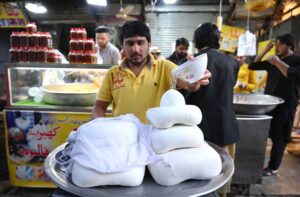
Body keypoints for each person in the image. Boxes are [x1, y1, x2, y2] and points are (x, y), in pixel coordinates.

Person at [92, 21, 210, 124]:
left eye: (140, 42)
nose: (135, 49)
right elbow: (99, 106)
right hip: (123, 140)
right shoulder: (113, 73)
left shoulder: (165, 67)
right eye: (130, 43)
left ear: (149, 44)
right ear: (122, 45)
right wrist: (100, 126)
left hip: (154, 139)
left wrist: (195, 77)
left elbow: (189, 85)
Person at [182, 23, 240, 197]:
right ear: (218, 40)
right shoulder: (233, 62)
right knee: (222, 176)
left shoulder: (192, 61)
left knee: (200, 183)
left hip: (199, 132)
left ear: (196, 40)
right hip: (226, 128)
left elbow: (184, 95)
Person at [249, 34, 300, 176]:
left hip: (286, 105)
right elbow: (253, 65)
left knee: (280, 138)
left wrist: (277, 62)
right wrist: (265, 50)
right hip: (270, 104)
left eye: (279, 44)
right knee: (268, 134)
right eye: (276, 44)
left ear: (289, 45)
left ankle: (273, 167)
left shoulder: (296, 60)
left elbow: (294, 75)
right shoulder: (273, 61)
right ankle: (259, 163)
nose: (277, 47)